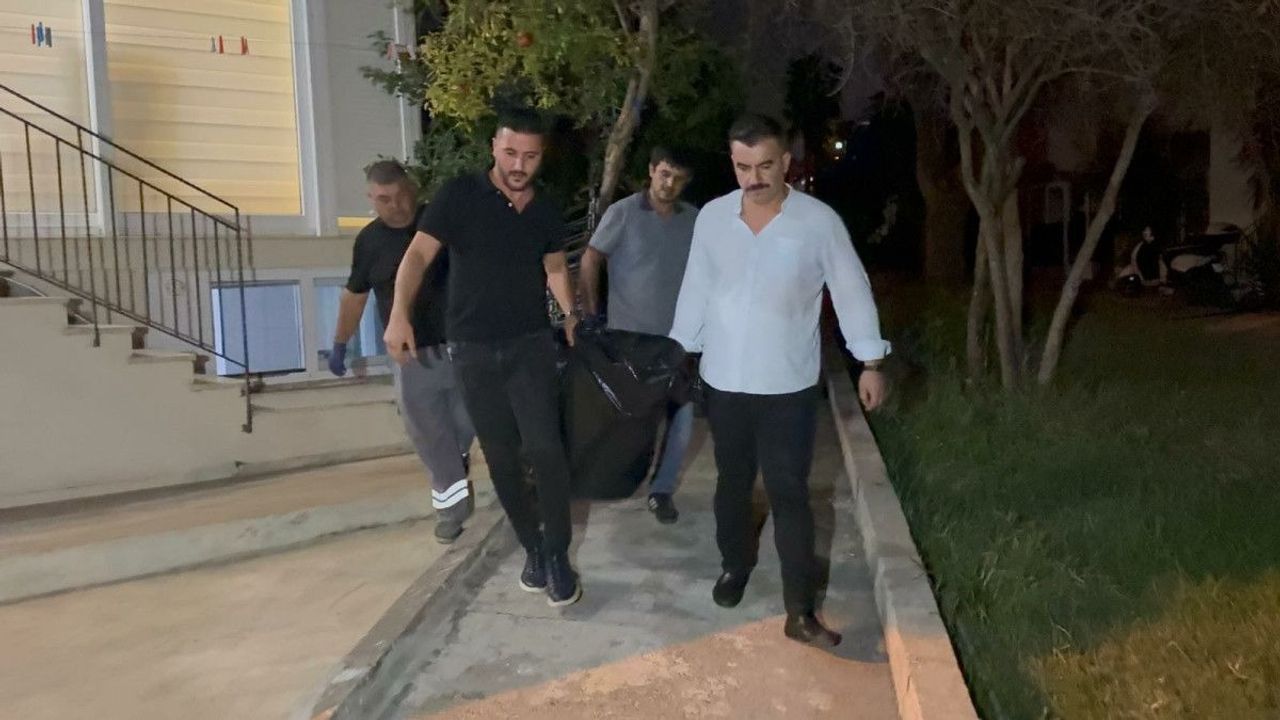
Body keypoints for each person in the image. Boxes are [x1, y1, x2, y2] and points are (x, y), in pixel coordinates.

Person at [669, 114, 890, 648]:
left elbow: (850, 288)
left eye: (765, 165)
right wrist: (679, 350)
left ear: (786, 161)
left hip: (787, 386)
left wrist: (870, 361)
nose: (754, 178)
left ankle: (800, 610)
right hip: (724, 380)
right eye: (743, 167)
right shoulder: (713, 219)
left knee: (789, 492)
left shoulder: (818, 222)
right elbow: (697, 285)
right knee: (731, 483)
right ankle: (734, 565)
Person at [383, 109, 584, 607]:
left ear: (542, 156)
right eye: (510, 152)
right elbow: (417, 256)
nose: (519, 165)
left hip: (530, 345)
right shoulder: (459, 195)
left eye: (530, 156)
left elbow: (554, 266)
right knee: (501, 457)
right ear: (494, 146)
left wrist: (571, 314)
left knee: (546, 450)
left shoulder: (545, 208)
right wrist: (399, 314)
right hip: (472, 350)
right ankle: (532, 549)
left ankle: (557, 554)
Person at [329, 160, 475, 544]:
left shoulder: (438, 222)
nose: (395, 206)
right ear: (371, 198)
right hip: (411, 356)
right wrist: (340, 343)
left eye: (399, 195)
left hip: (461, 345)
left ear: (411, 188)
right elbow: (354, 296)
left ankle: (455, 462)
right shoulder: (369, 242)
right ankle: (451, 511)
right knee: (429, 434)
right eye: (384, 199)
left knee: (466, 423)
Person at [579, 145, 698, 525]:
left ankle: (661, 491)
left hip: (679, 341)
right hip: (630, 340)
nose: (669, 183)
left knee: (683, 417)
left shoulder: (693, 220)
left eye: (678, 178)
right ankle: (617, 480)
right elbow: (591, 258)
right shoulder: (624, 213)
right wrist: (590, 315)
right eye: (665, 174)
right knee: (632, 421)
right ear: (651, 170)